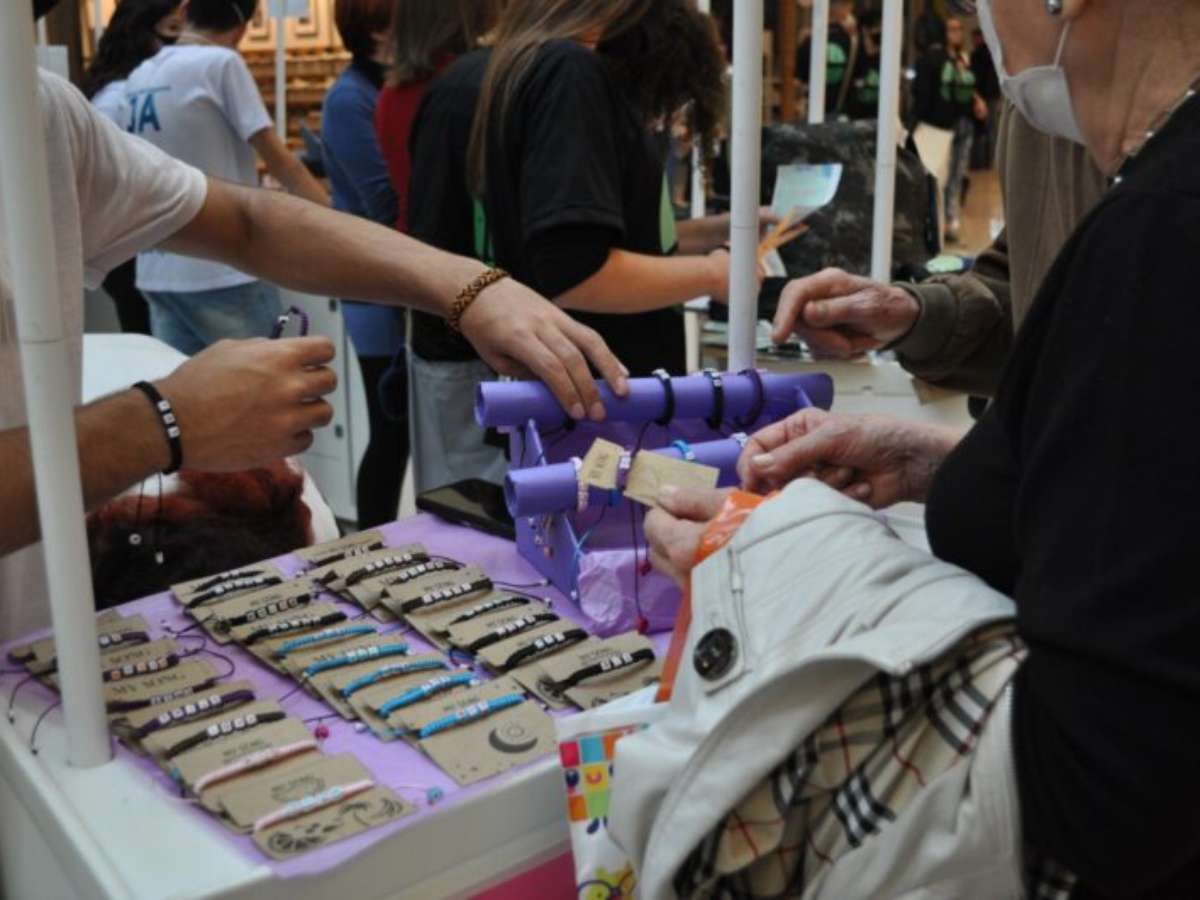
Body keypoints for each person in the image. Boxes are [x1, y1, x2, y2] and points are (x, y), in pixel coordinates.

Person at [644, 0, 1200, 892]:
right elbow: (1124, 444)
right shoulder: (1113, 168)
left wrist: (784, 561)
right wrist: (942, 459)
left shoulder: (1164, 223)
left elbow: (1103, 781)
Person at [3, 6, 630, 644]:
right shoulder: (236, 75)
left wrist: (468, 287)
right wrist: (165, 421)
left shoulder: (39, 110)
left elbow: (245, 222)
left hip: (45, 639)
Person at [401, 0, 732, 491]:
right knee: (616, 524)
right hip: (591, 395)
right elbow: (575, 270)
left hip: (571, 389)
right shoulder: (566, 72)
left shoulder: (509, 70)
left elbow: (575, 242)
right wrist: (713, 274)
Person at [121, 0, 330, 355]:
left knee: (188, 383)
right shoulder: (221, 63)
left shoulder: (139, 76)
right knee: (268, 379)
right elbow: (279, 159)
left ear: (184, 11)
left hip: (158, 267)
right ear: (242, 29)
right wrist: (333, 217)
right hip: (222, 266)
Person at [374, 0, 506, 493]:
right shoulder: (467, 88)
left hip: (424, 282)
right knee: (474, 463)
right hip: (463, 280)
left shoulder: (395, 93)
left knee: (444, 454)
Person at [320, 0, 411, 528]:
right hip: (375, 289)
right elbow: (382, 199)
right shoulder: (350, 98)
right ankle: (372, 541)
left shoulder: (383, 87)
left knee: (400, 430)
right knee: (391, 429)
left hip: (393, 281)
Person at [80, 0, 186, 336]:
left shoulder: (117, 91)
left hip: (131, 243)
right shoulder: (119, 96)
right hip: (131, 246)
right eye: (173, 29)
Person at [910, 14, 985, 243]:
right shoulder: (951, 61)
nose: (956, 34)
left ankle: (938, 226)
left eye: (959, 29)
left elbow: (922, 101)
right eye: (952, 29)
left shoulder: (929, 61)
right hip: (951, 125)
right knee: (948, 177)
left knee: (936, 179)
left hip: (935, 127)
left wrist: (910, 124)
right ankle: (945, 223)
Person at [796, 0, 859, 121]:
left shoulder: (809, 39)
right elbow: (859, 74)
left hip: (811, 110)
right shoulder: (853, 41)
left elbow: (799, 77)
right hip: (841, 111)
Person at [970, 25, 1002, 167]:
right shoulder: (992, 53)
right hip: (992, 95)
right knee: (992, 130)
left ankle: (984, 162)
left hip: (983, 96)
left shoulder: (977, 54)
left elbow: (976, 78)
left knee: (983, 131)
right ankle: (992, 162)